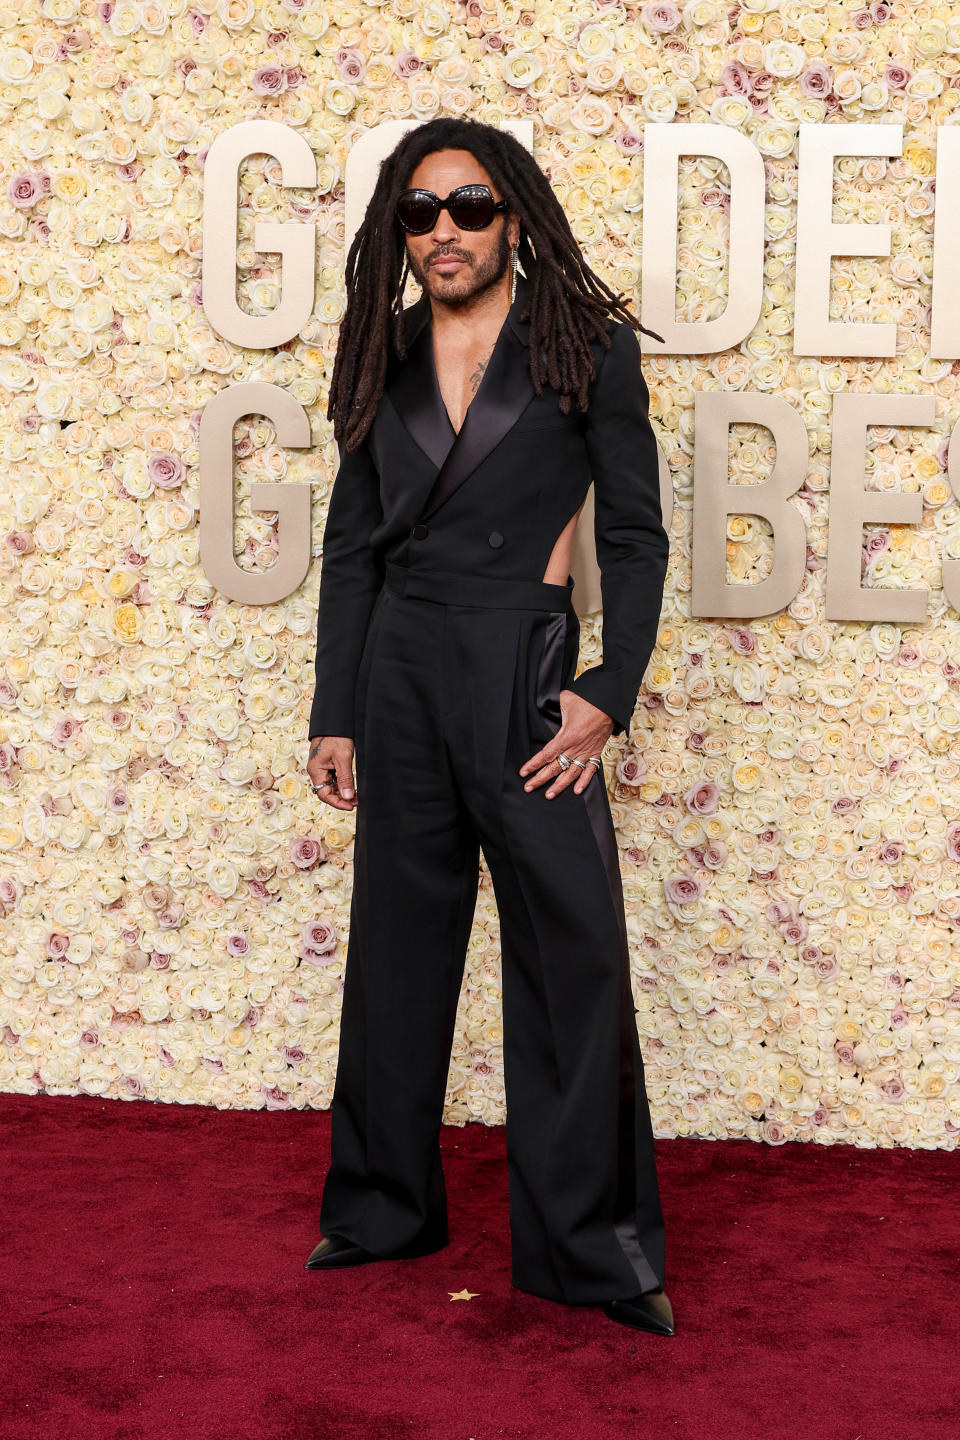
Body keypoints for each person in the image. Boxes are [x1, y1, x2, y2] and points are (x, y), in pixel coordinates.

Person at [303, 117, 674, 1338]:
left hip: (525, 664)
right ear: (396, 234)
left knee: (572, 956)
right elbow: (352, 549)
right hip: (403, 667)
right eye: (419, 213)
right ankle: (380, 1209)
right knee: (398, 952)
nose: (444, 230)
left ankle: (589, 1251)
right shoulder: (383, 352)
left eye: (467, 207)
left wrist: (608, 689)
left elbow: (634, 533)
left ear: (513, 215)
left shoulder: (581, 347)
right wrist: (338, 712)